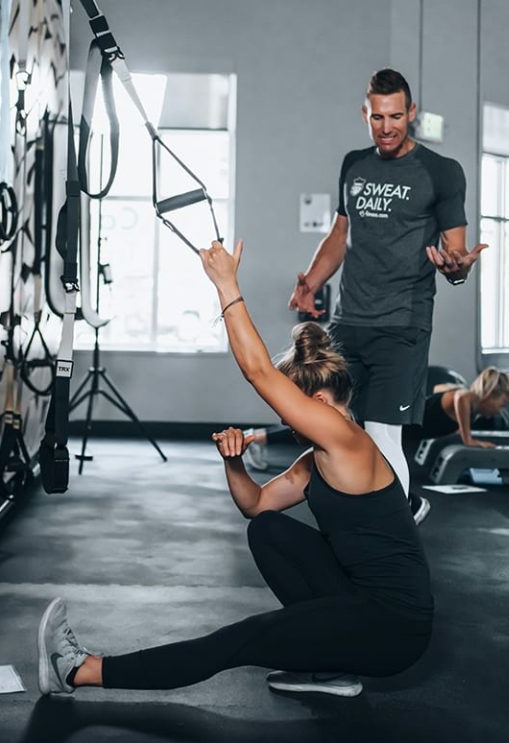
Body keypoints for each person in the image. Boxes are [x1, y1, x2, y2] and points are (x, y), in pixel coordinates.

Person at [37, 240, 433, 699]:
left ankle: (76, 671)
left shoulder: (347, 440)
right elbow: (257, 505)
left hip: (393, 630)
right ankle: (331, 666)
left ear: (319, 404)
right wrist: (233, 463)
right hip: (362, 603)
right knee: (268, 530)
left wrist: (226, 283)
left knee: (240, 640)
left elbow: (259, 372)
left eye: (292, 414)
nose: (286, 425)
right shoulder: (319, 461)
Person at [287, 68, 488, 526]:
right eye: (377, 118)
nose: (387, 127)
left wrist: (457, 268)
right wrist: (313, 281)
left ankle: (397, 526)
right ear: (365, 114)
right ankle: (365, 518)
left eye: (396, 116)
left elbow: (456, 250)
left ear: (411, 113)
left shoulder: (441, 172)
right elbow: (341, 234)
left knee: (381, 431)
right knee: (331, 423)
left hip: (403, 322)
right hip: (349, 320)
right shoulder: (353, 164)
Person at [408, 366, 509, 446]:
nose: (500, 411)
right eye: (502, 404)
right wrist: (468, 439)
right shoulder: (466, 396)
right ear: (489, 395)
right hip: (400, 425)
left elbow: (437, 388)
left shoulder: (467, 410)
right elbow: (461, 397)